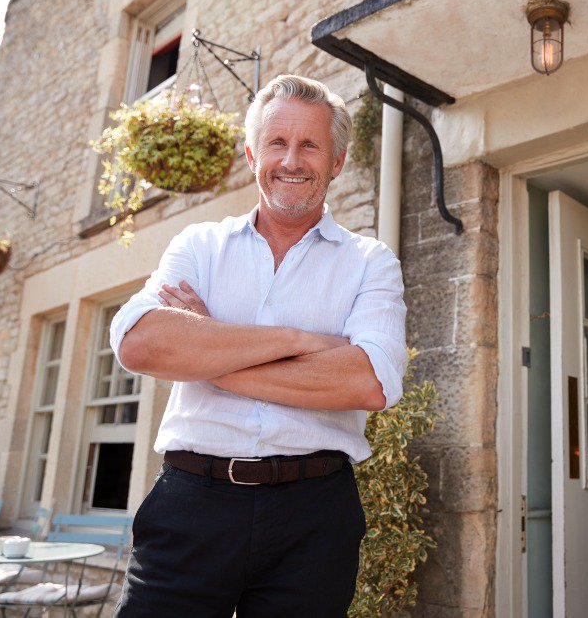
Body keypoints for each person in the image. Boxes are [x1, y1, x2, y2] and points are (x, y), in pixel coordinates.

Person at [109, 74, 408, 617]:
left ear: (337, 161)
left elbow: (369, 381)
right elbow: (141, 343)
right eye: (276, 142)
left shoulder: (370, 261)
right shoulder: (198, 245)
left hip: (314, 515)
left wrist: (209, 353)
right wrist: (300, 341)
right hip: (192, 504)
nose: (291, 159)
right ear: (252, 154)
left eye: (310, 145)